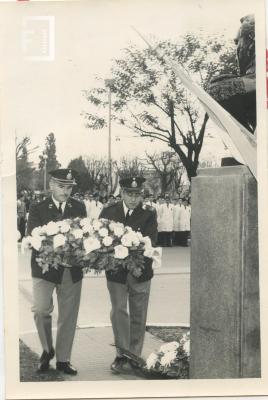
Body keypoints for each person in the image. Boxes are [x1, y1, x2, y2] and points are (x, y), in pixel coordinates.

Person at [27, 168, 86, 375]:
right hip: (44, 269)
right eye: (61, 186)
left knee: (68, 315)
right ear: (51, 185)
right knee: (41, 309)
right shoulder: (38, 208)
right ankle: (46, 349)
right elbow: (33, 238)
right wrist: (60, 251)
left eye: (69, 187)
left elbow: (83, 237)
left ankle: (63, 359)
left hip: (71, 271)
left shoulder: (79, 207)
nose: (65, 191)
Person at [99, 176, 158, 374]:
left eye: (137, 194)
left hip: (140, 272)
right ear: (122, 193)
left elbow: (151, 241)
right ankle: (121, 354)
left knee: (139, 315)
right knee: (118, 312)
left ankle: (134, 355)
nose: (134, 199)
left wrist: (137, 262)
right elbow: (100, 239)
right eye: (129, 194)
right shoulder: (109, 212)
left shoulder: (149, 214)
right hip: (116, 272)